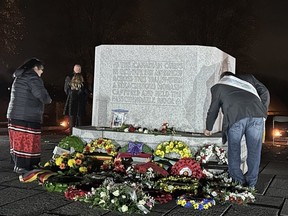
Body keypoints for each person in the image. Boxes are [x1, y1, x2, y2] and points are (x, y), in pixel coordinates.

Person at [204, 71, 270, 188]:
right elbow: (265, 92)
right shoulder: (249, 78)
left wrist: (209, 128)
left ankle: (238, 182)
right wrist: (263, 110)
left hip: (235, 119)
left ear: (223, 78)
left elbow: (213, 109)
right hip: (257, 116)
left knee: (234, 150)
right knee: (254, 152)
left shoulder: (219, 87)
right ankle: (251, 184)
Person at [6, 58, 52, 174]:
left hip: (15, 114)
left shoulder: (20, 76)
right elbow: (41, 94)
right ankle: (27, 166)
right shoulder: (32, 77)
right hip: (27, 115)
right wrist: (48, 99)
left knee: (18, 141)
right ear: (35, 68)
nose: (42, 73)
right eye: (41, 70)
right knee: (28, 141)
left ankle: (19, 165)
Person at [63, 64, 88, 134]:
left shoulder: (83, 77)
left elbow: (85, 90)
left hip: (79, 102)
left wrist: (83, 96)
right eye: (76, 68)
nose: (78, 70)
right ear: (74, 69)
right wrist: (72, 94)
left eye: (79, 68)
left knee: (80, 120)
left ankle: (80, 135)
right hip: (72, 101)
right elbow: (66, 89)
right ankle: (72, 135)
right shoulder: (69, 77)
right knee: (72, 120)